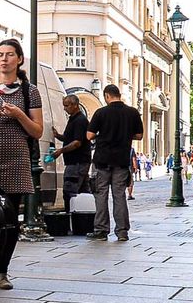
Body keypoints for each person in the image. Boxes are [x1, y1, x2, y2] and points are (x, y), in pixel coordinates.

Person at [0, 38, 44, 289]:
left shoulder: (29, 91)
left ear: (19, 59)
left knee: (10, 219)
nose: (4, 59)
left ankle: (2, 272)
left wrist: (19, 114)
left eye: (10, 54)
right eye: (0, 54)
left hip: (17, 159)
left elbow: (37, 131)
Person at [88, 86, 144, 241]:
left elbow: (89, 135)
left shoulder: (101, 112)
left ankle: (101, 230)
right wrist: (125, 135)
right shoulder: (132, 112)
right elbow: (139, 135)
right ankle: (122, 232)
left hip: (103, 160)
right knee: (119, 195)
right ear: (119, 95)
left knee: (101, 195)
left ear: (107, 96)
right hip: (121, 159)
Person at [54, 94, 91, 224]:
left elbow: (77, 142)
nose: (65, 108)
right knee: (83, 192)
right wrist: (58, 136)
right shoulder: (74, 119)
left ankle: (72, 220)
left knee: (70, 191)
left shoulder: (80, 120)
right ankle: (84, 221)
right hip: (79, 162)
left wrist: (60, 151)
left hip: (77, 162)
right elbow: (69, 138)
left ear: (75, 105)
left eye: (67, 105)